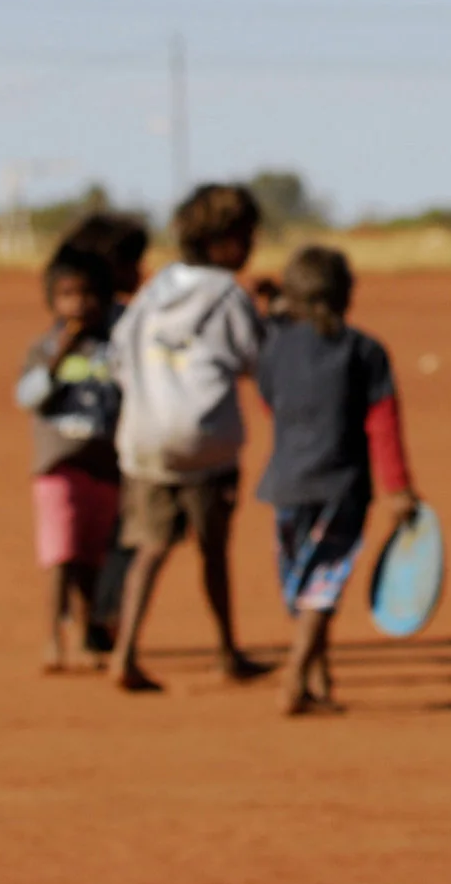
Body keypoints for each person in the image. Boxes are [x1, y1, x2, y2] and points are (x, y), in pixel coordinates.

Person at [104, 182, 266, 693]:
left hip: (145, 437)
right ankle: (227, 652)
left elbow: (118, 351)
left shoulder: (154, 290)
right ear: (223, 242)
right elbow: (255, 358)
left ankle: (124, 654)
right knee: (213, 549)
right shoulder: (228, 295)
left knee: (149, 549)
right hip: (207, 442)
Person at [252, 244, 420, 716]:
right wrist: (398, 488)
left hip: (285, 484)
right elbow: (382, 422)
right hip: (341, 487)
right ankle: (293, 682)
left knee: (303, 587)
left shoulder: (274, 347)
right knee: (320, 589)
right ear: (346, 294)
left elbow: (269, 404)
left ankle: (317, 678)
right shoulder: (364, 351)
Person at [13, 246, 124, 672]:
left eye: (89, 295)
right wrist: (60, 355)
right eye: (68, 295)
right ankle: (51, 640)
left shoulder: (112, 350)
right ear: (52, 300)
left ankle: (84, 635)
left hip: (105, 467)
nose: (79, 304)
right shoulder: (43, 349)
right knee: (61, 555)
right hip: (59, 467)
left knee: (92, 560)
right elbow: (27, 397)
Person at [58, 211, 153, 654]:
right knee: (113, 537)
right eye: (133, 262)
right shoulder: (107, 322)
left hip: (109, 444)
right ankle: (96, 618)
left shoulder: (109, 317)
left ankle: (92, 619)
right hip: (104, 448)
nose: (140, 272)